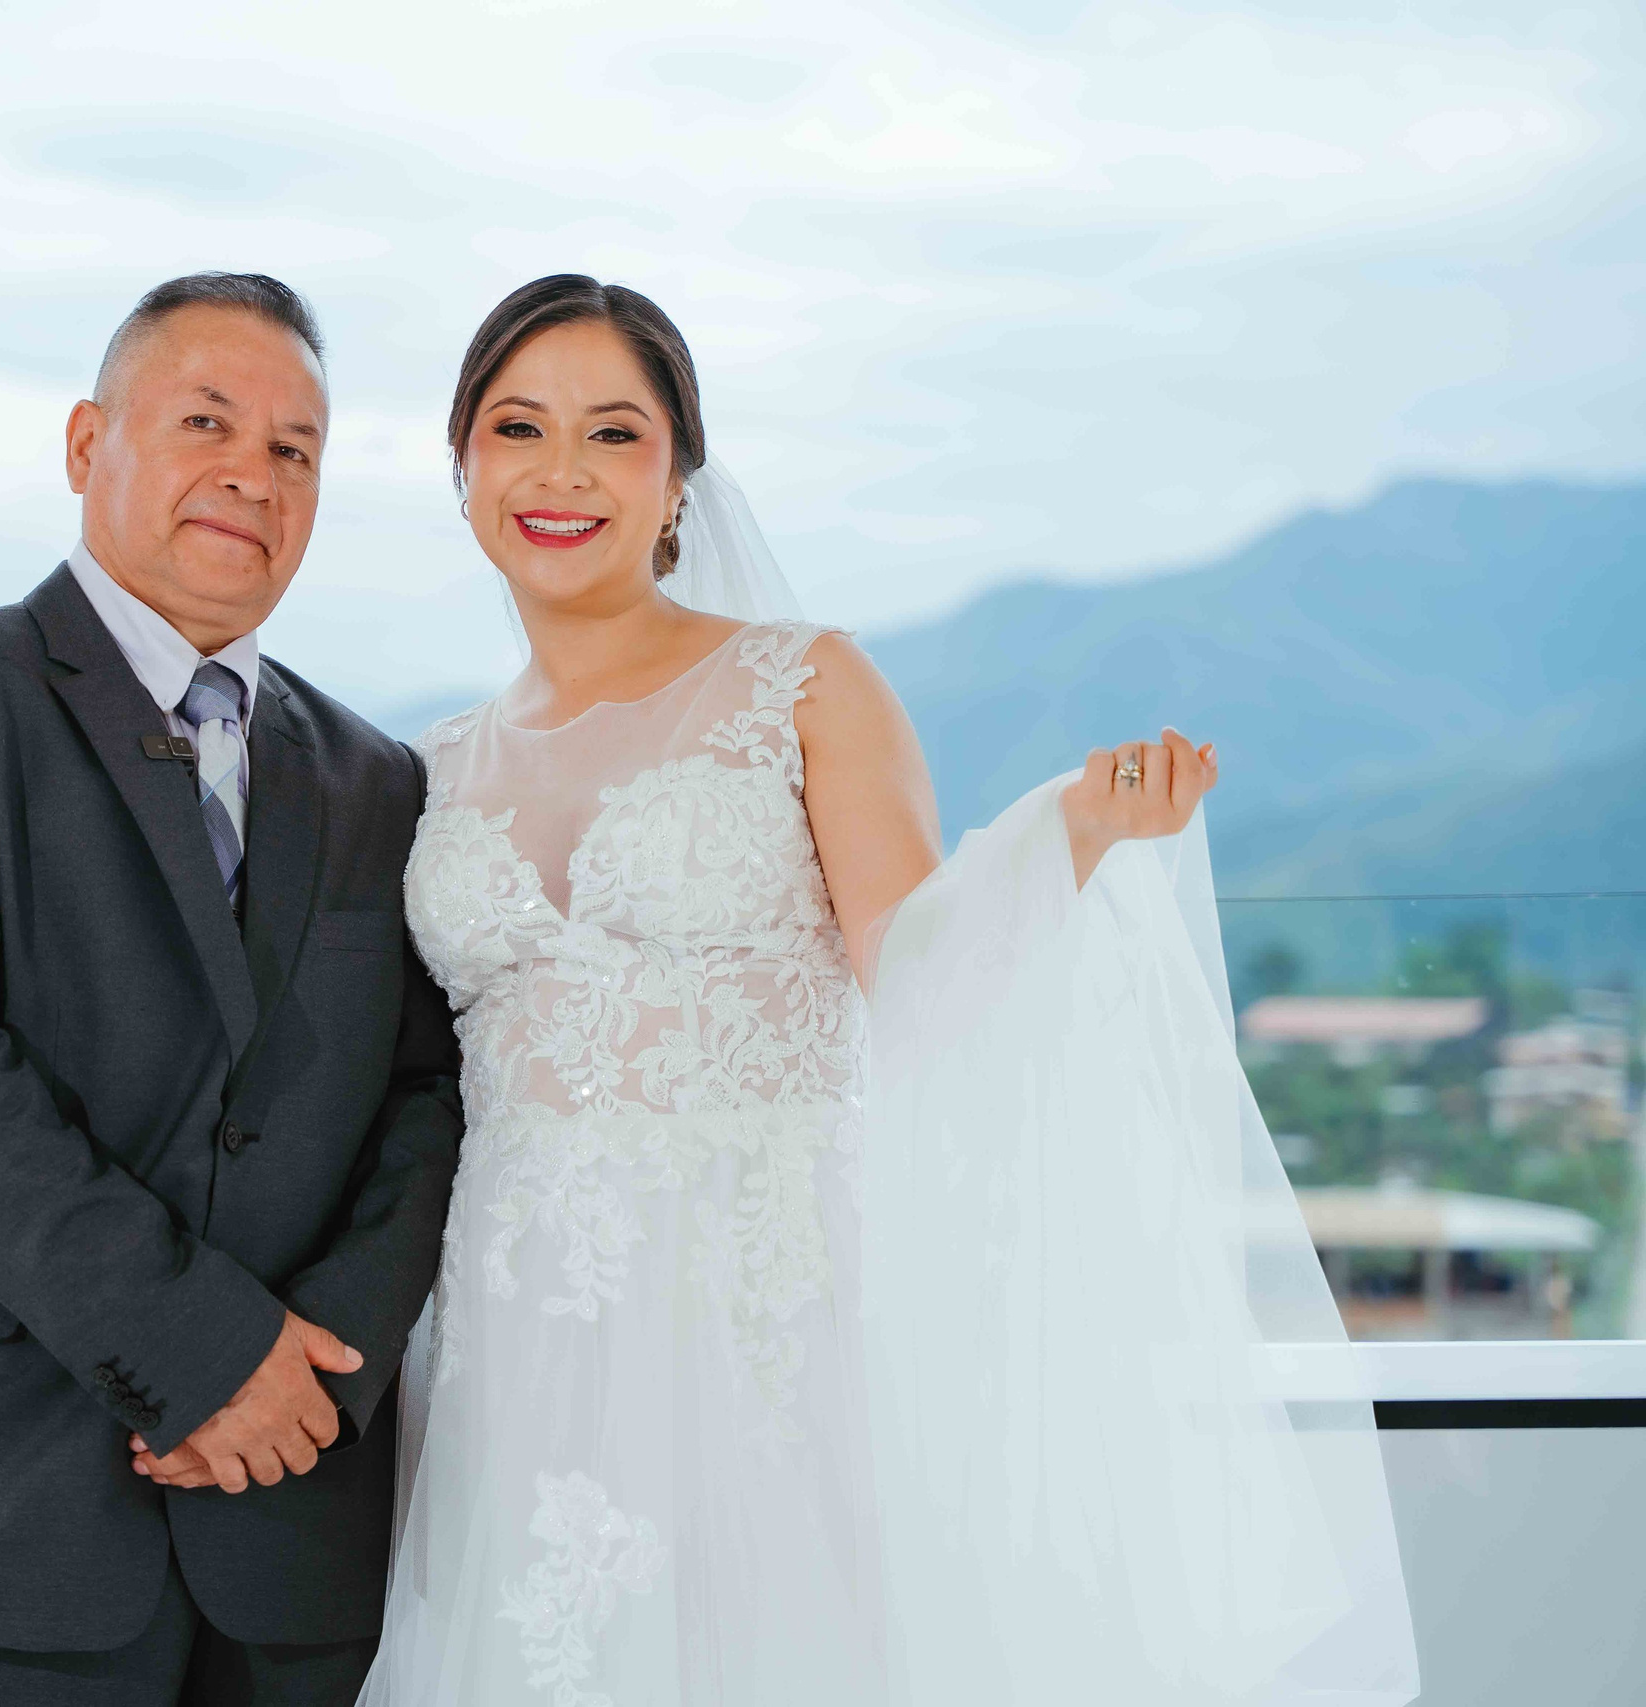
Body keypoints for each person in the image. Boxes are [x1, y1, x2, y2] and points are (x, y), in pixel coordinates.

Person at [147, 275, 1426, 1703]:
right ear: (463, 472)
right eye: (519, 427)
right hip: (515, 1352)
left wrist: (1065, 829)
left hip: (764, 1328)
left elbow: (918, 969)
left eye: (614, 434)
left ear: (679, 477)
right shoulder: (426, 771)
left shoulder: (806, 688)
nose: (561, 471)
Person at [0, 272, 465, 1707]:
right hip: (6, 1494)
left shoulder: (379, 778)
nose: (252, 477)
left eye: (295, 450)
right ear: (87, 445)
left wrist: (313, 1382)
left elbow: (427, 1101)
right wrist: (209, 1359)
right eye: (207, 421)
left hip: (300, 1505)